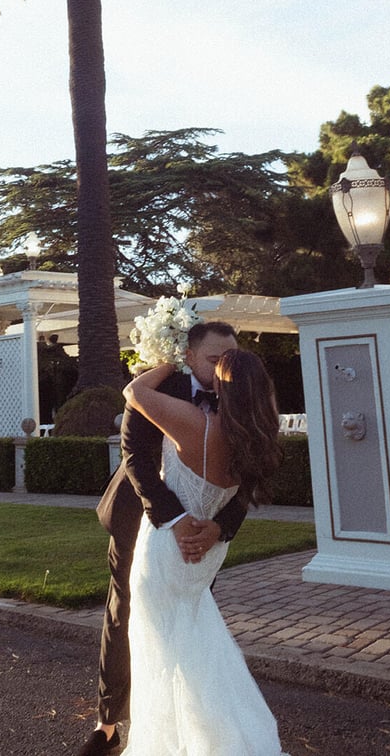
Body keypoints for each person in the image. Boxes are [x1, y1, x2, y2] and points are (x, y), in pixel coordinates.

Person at [79, 322, 246, 756]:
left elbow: (251, 476)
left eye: (229, 357)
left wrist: (220, 526)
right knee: (125, 613)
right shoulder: (160, 386)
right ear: (189, 356)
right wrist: (173, 518)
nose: (223, 367)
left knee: (188, 620)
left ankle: (186, 725)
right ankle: (109, 722)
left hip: (205, 532)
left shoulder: (240, 393)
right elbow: (134, 456)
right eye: (214, 359)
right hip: (142, 515)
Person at [121, 348, 287, 755]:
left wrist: (169, 358)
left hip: (167, 547)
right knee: (200, 645)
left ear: (221, 381)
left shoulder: (196, 423)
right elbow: (241, 496)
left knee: (163, 654)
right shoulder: (259, 434)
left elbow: (134, 390)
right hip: (208, 549)